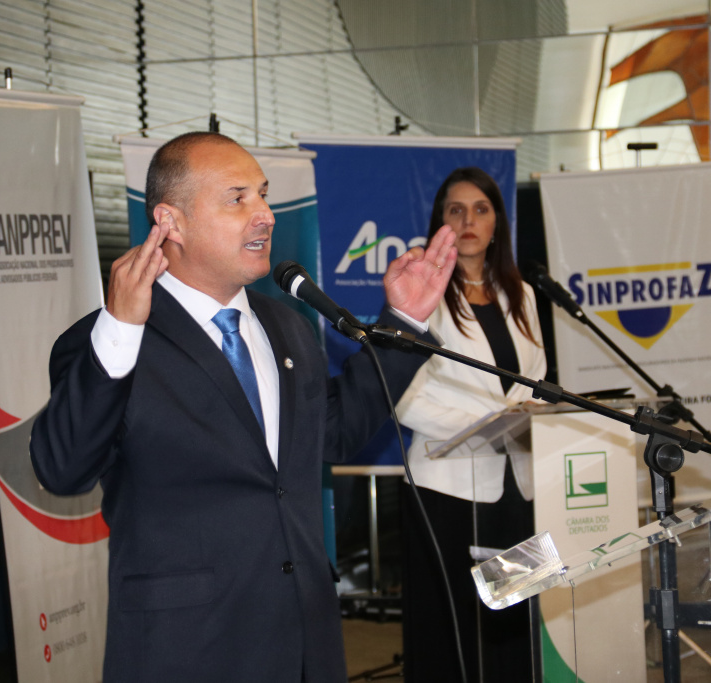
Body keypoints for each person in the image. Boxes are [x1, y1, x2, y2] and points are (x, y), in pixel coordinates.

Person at [29, 131, 457, 683]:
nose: (265, 216)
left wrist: (405, 324)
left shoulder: (287, 326)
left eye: (264, 194)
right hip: (187, 653)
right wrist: (120, 329)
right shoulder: (109, 341)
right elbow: (62, 469)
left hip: (306, 646)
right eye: (237, 198)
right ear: (170, 222)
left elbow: (334, 433)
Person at [395, 167, 546, 682]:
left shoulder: (522, 295)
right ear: (440, 222)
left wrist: (522, 417)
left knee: (516, 618)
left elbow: (535, 381)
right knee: (453, 628)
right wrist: (488, 423)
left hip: (518, 486)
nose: (468, 221)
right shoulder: (422, 294)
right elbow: (405, 398)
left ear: (497, 222)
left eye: (481, 209)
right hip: (447, 486)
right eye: (455, 210)